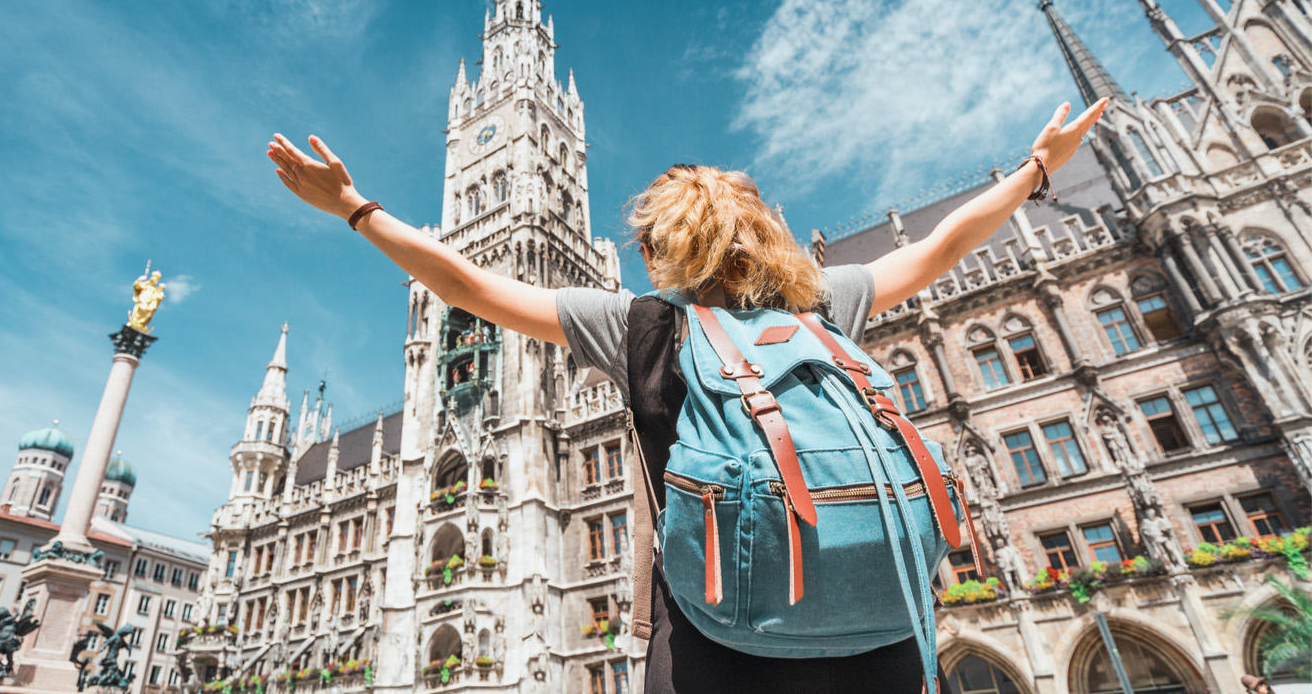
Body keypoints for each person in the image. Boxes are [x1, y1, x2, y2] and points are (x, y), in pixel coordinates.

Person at [266, 96, 1107, 693]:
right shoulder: (825, 303)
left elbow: (470, 287)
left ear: (656, 247)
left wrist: (354, 207)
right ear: (769, 234)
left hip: (720, 633)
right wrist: (1035, 170)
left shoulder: (639, 325)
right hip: (877, 630)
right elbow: (940, 245)